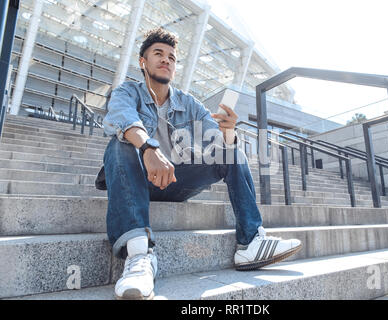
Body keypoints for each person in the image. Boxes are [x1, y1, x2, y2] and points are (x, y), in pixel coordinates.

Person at [102, 27, 302, 300]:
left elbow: (217, 145)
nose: (166, 60)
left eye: (171, 57)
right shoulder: (127, 91)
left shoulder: (190, 103)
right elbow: (120, 118)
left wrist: (229, 132)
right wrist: (149, 148)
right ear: (143, 62)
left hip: (175, 181)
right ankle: (138, 258)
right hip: (134, 180)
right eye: (158, 54)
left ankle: (250, 243)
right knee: (120, 143)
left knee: (232, 152)